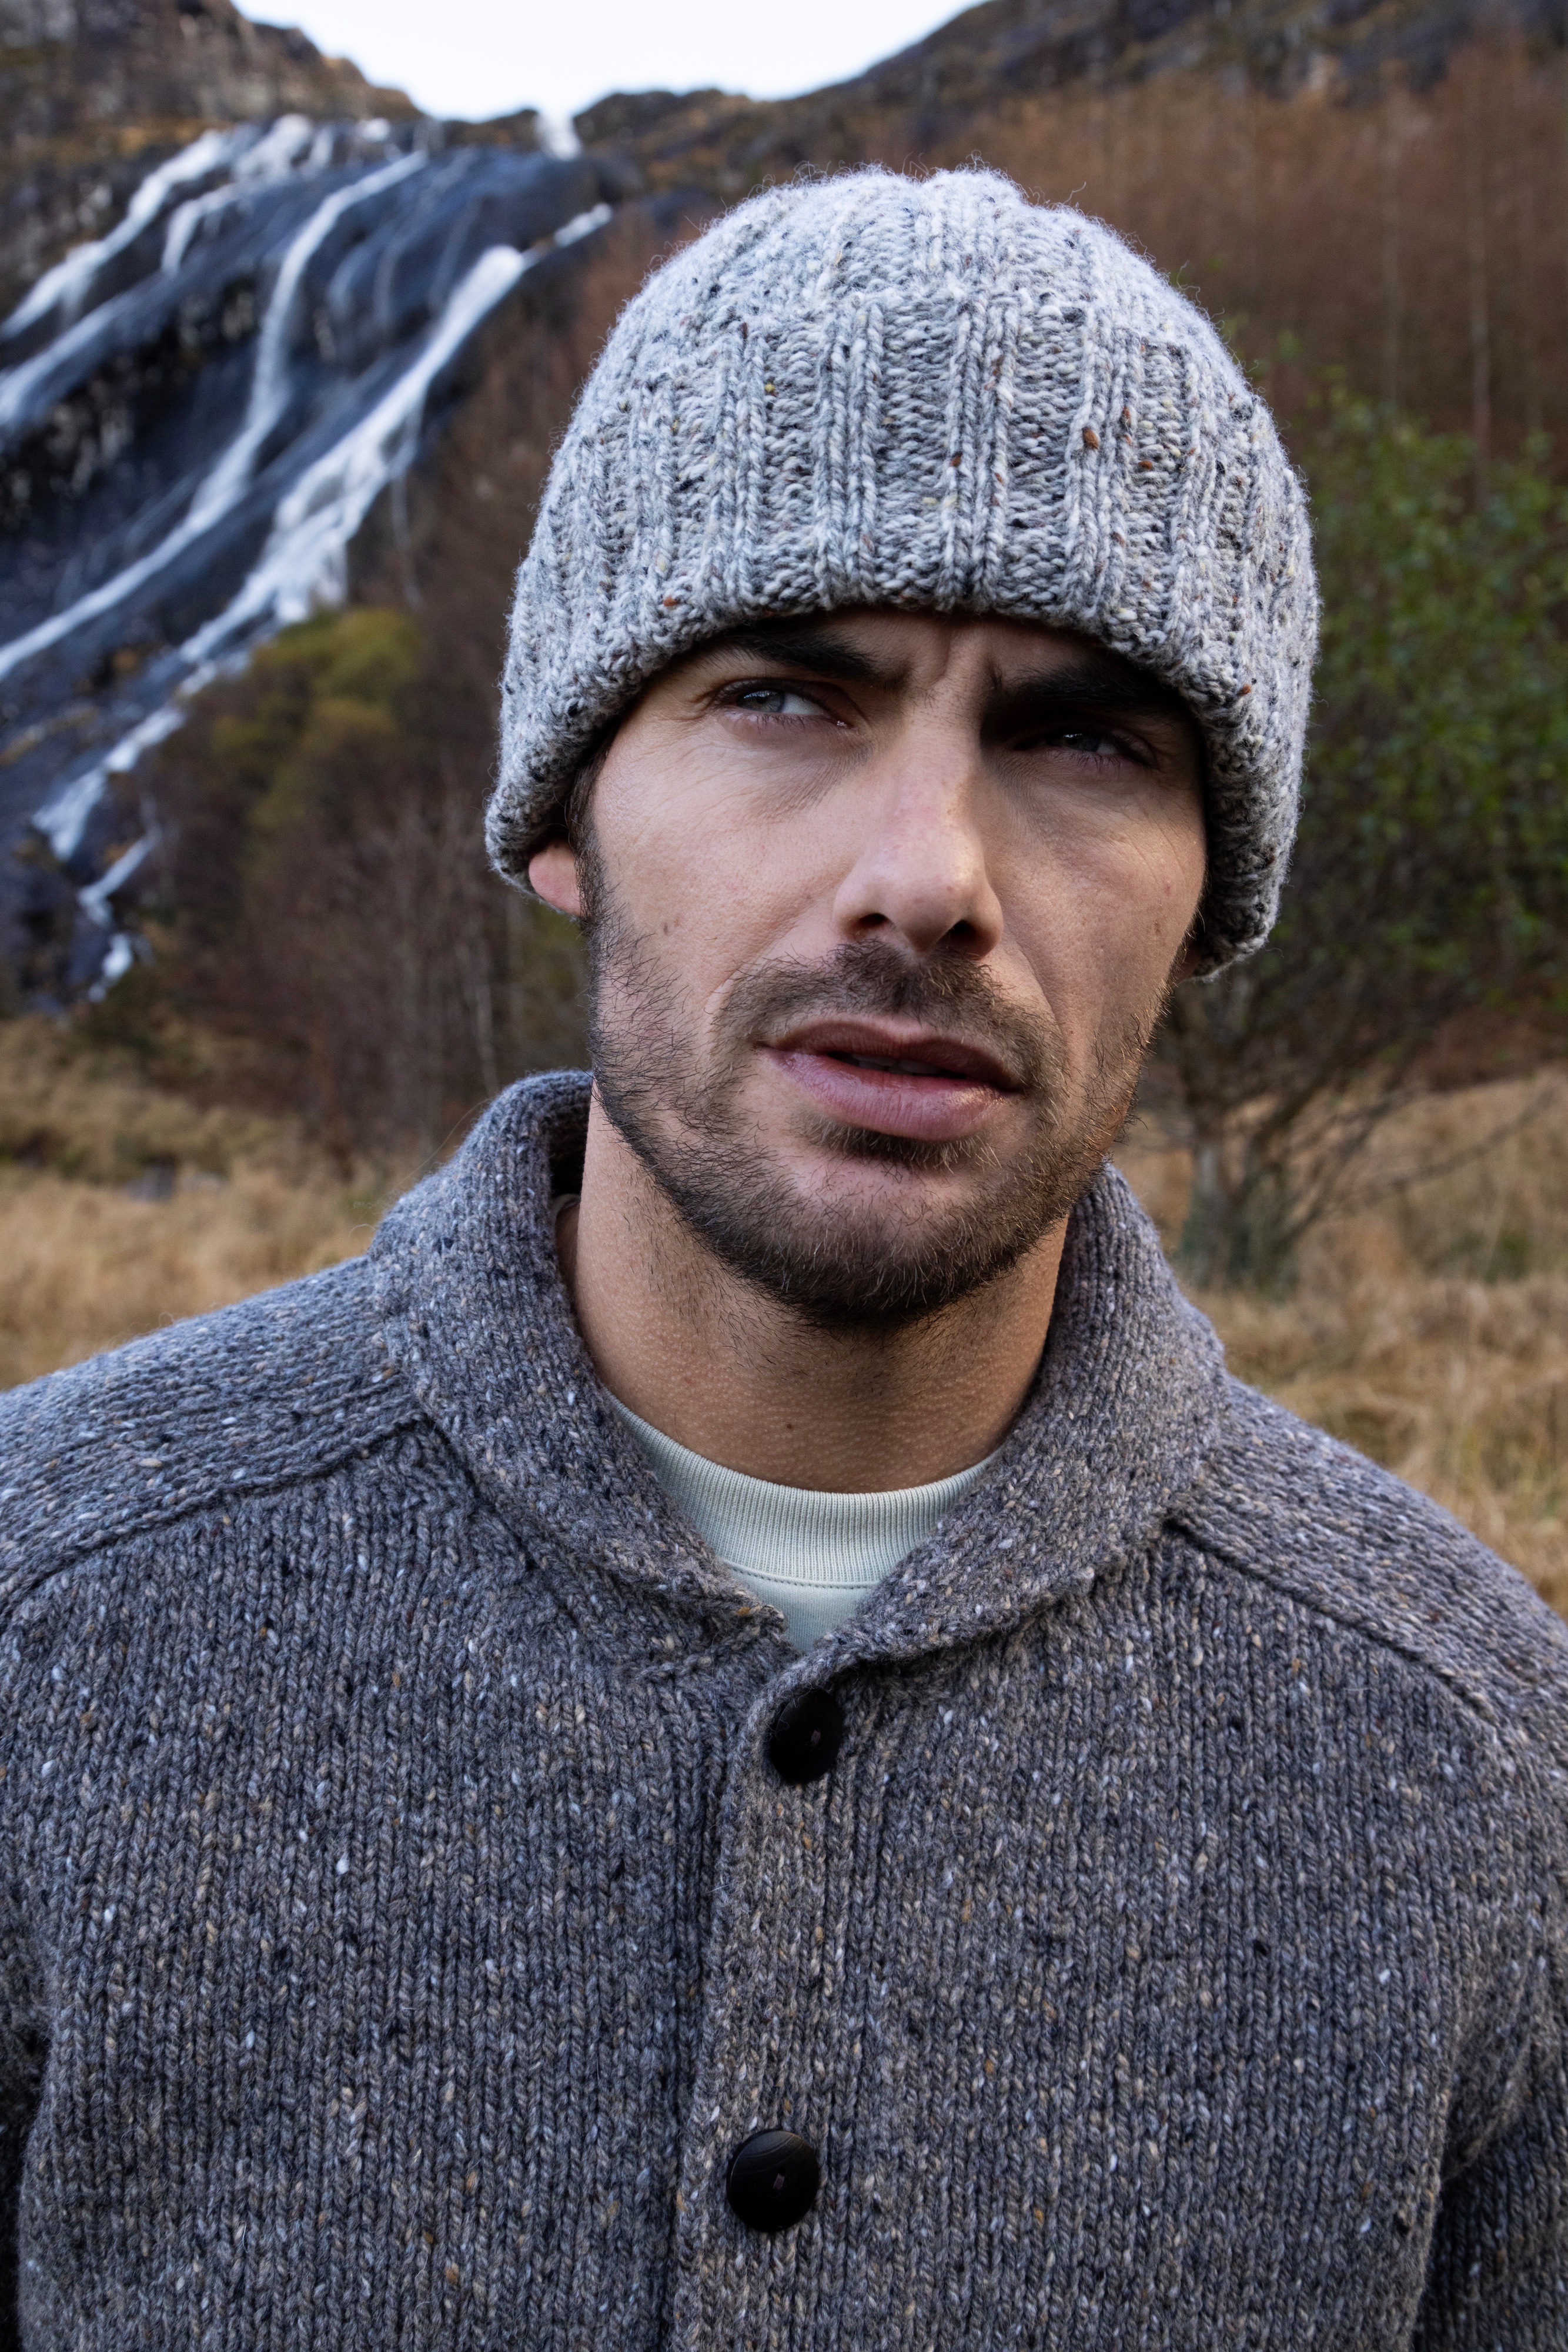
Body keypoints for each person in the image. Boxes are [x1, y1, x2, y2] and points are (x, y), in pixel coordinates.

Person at [2, 167, 1564, 2351]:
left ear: (1211, 895)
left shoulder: (1475, 1770)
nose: (925, 877)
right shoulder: (48, 1616)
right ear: (565, 813)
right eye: (785, 696)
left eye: (1083, 736)